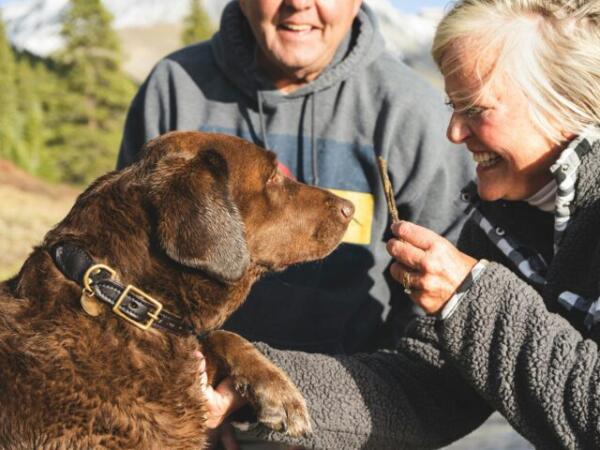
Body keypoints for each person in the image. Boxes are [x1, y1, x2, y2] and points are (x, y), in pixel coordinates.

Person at [201, 0, 600, 448]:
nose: (453, 133)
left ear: (565, 102)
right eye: (453, 106)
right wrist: (251, 383)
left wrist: (469, 298)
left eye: (476, 108)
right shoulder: (500, 225)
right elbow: (425, 392)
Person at [117, 0, 474, 357]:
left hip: (357, 395)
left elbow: (440, 310)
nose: (299, 4)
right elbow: (127, 267)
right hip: (192, 392)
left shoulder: (412, 113)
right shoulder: (175, 90)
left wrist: (376, 399)